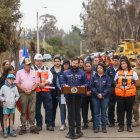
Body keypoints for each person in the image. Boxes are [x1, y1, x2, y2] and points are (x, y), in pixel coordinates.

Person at [62, 57, 86, 139]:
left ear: (79, 63)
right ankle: (71, 131)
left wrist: (82, 86)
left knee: (77, 113)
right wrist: (65, 85)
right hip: (69, 96)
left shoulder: (82, 73)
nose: (75, 64)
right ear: (71, 63)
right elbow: (63, 82)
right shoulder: (65, 73)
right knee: (70, 113)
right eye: (73, 63)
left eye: (76, 63)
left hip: (78, 96)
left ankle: (78, 131)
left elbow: (86, 83)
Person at [15, 58, 39, 135]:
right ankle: (23, 127)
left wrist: (31, 89)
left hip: (32, 93)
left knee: (32, 110)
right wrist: (24, 89)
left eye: (30, 64)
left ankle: (32, 127)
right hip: (23, 93)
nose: (29, 65)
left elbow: (36, 83)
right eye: (27, 64)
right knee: (23, 110)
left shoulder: (34, 72)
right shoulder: (19, 72)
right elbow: (17, 83)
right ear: (24, 65)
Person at [114, 58, 138, 132]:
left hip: (130, 95)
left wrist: (131, 86)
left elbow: (137, 83)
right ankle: (121, 126)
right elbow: (115, 81)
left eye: (124, 63)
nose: (122, 65)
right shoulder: (118, 72)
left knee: (129, 111)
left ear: (127, 63)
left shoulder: (133, 72)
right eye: (121, 64)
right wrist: (118, 85)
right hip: (120, 95)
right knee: (120, 111)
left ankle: (129, 126)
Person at [33, 54, 54, 131]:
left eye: (41, 61)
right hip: (36, 92)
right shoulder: (32, 69)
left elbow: (51, 78)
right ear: (35, 61)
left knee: (49, 108)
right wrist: (38, 84)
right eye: (38, 61)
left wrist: (45, 83)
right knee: (37, 109)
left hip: (46, 92)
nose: (39, 62)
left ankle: (49, 124)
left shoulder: (46, 69)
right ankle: (39, 125)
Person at [91, 63, 111, 133]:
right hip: (95, 97)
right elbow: (92, 87)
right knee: (96, 113)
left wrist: (102, 94)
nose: (99, 69)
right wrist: (97, 94)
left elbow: (108, 87)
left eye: (101, 68)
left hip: (105, 98)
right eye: (98, 68)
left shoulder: (107, 77)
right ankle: (97, 127)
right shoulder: (93, 77)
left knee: (103, 113)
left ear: (103, 69)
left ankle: (104, 127)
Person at [0, 74, 19, 138]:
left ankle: (11, 131)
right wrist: (4, 99)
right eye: (10, 79)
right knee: (5, 119)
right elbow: (0, 95)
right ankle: (5, 132)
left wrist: (15, 100)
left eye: (12, 79)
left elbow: (17, 95)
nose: (11, 80)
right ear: (7, 79)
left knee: (11, 119)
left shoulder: (15, 87)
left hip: (12, 105)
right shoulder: (3, 87)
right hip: (6, 105)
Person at [50, 56, 65, 129]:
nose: (57, 62)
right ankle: (52, 123)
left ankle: (63, 123)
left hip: (62, 94)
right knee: (53, 108)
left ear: (60, 62)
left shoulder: (64, 70)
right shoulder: (50, 71)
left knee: (62, 108)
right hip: (52, 93)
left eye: (58, 61)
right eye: (55, 61)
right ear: (53, 62)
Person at [0, 65, 15, 133]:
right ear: (8, 71)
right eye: (12, 70)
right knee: (4, 116)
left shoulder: (13, 79)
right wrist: (1, 101)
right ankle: (4, 129)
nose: (13, 71)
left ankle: (10, 129)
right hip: (4, 101)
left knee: (12, 116)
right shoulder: (2, 79)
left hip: (11, 101)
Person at [106, 55, 120, 127]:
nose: (114, 61)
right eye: (113, 60)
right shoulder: (109, 69)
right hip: (111, 89)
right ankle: (111, 121)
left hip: (120, 89)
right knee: (111, 105)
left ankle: (120, 120)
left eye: (115, 60)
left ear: (118, 61)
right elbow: (106, 79)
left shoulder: (121, 69)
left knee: (120, 105)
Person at [81, 61, 94, 130]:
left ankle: (95, 124)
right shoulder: (82, 74)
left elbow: (96, 84)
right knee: (84, 110)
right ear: (84, 67)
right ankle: (85, 123)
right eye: (87, 66)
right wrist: (85, 91)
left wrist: (91, 91)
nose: (88, 67)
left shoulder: (95, 74)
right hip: (84, 94)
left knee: (93, 109)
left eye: (89, 66)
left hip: (93, 94)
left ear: (91, 66)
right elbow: (81, 84)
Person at [132, 55, 140, 127]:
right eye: (138, 59)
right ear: (136, 60)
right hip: (136, 90)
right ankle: (136, 120)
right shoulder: (133, 70)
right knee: (135, 107)